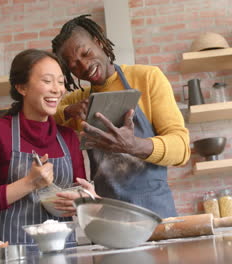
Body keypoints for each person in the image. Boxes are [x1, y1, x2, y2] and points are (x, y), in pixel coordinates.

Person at [51, 14, 190, 218]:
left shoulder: (147, 78)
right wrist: (66, 111)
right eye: (74, 67)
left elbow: (181, 149)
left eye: (86, 53)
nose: (84, 66)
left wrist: (133, 145)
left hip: (155, 214)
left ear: (99, 42)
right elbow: (40, 115)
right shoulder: (80, 101)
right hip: (106, 217)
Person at [0, 49, 87, 245]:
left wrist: (83, 200)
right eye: (47, 81)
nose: (57, 89)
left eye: (60, 82)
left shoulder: (68, 137)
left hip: (65, 254)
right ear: (21, 87)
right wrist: (29, 183)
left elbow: (82, 195)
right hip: (13, 252)